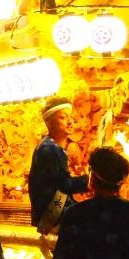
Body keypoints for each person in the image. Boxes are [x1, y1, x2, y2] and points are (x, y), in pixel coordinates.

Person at [29, 97, 89, 236]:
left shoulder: (53, 147)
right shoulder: (49, 149)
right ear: (49, 124)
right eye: (63, 117)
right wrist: (90, 179)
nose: (70, 121)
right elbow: (64, 186)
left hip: (55, 210)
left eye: (70, 117)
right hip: (52, 216)